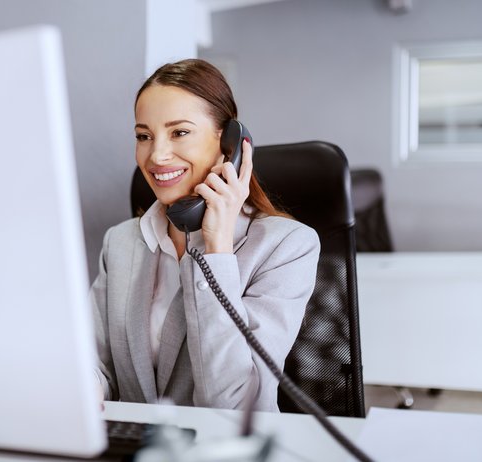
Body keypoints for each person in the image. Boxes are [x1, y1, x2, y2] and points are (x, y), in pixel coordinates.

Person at [91, 59, 320, 412]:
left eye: (179, 132)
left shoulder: (287, 247)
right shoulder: (120, 242)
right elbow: (97, 364)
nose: (157, 155)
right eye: (144, 136)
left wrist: (216, 250)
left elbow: (232, 404)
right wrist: (84, 386)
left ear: (228, 143)